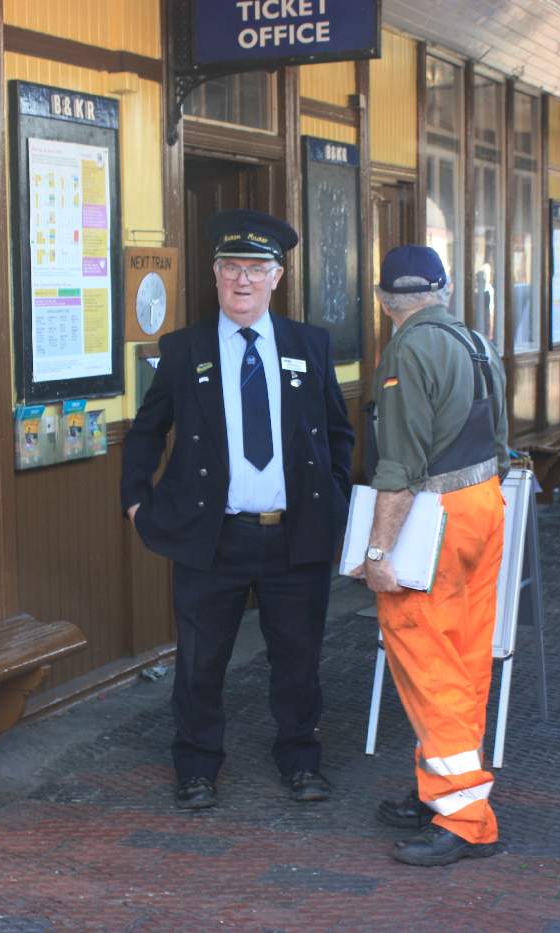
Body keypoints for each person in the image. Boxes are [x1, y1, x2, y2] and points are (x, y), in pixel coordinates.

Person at [121, 209, 354, 810]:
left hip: (294, 538)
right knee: (201, 662)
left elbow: (338, 432)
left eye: (255, 268)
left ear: (277, 277)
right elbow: (147, 432)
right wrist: (136, 502)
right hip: (212, 538)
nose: (242, 280)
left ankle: (300, 760)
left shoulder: (310, 345)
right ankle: (197, 767)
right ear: (215, 275)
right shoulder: (184, 350)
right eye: (230, 267)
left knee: (298, 660)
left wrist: (332, 500)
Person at [347, 245, 509, 868]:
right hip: (483, 505)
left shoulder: (408, 349)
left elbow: (400, 466)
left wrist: (378, 550)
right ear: (444, 291)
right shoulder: (477, 342)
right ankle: (441, 793)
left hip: (433, 519)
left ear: (383, 301)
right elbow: (498, 441)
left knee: (426, 662)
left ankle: (465, 818)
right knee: (465, 661)